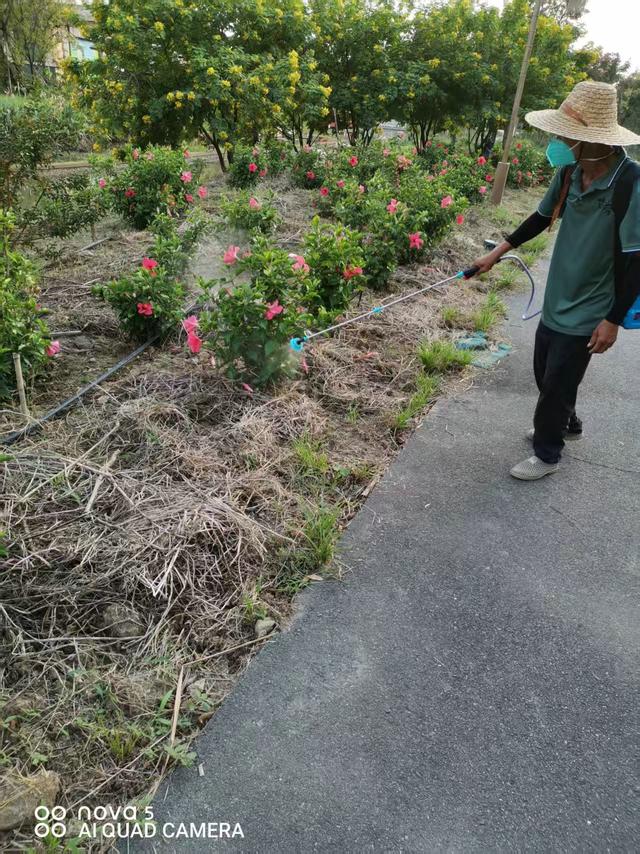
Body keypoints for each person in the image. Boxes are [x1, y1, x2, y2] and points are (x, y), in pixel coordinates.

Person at [474, 81, 640, 481]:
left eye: (566, 135)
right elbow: (539, 217)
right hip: (558, 294)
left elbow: (637, 259)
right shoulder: (570, 171)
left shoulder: (629, 181)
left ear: (591, 140)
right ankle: (567, 422)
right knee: (548, 371)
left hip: (593, 304)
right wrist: (496, 253)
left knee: (556, 381)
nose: (558, 141)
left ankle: (548, 453)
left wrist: (613, 320)